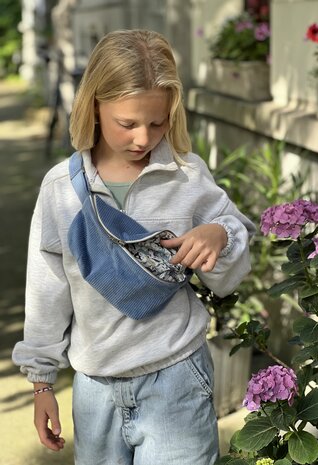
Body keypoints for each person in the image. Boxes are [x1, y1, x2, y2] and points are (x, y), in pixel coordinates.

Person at [12, 29, 256, 465]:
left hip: (177, 380)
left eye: (157, 122)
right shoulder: (60, 191)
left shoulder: (187, 176)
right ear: (95, 106)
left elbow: (229, 275)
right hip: (94, 390)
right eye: (128, 123)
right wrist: (42, 383)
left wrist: (220, 234)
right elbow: (46, 291)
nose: (144, 138)